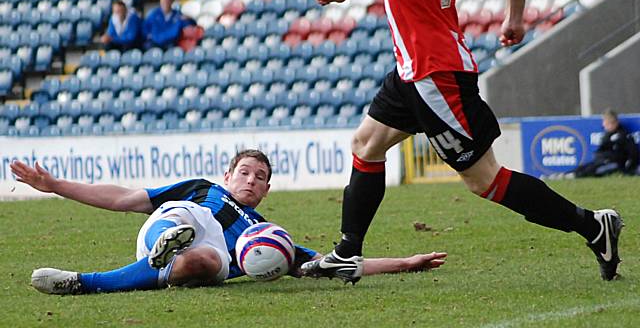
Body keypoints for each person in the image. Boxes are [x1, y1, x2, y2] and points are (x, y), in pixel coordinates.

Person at [301, 0, 624, 284]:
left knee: (484, 180)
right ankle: (346, 253)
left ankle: (592, 225)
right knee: (366, 144)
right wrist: (515, 18)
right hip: (413, 70)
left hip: (435, 74)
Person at [10, 149, 447, 295]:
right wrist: (57, 185)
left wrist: (407, 263)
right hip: (174, 222)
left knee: (202, 261)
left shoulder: (269, 238)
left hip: (207, 257)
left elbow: (337, 264)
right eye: (245, 172)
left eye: (261, 178)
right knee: (187, 215)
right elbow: (125, 199)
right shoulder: (203, 188)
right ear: (227, 175)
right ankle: (94, 279)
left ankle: (171, 258)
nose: (251, 181)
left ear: (267, 190)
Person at [568, 109, 639, 178]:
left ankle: (575, 176)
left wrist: (627, 169)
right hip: (602, 161)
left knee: (594, 170)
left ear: (614, 123)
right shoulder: (607, 136)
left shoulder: (624, 136)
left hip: (615, 164)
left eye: (606, 122)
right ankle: (568, 174)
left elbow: (632, 154)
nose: (603, 124)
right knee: (584, 167)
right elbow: (601, 150)